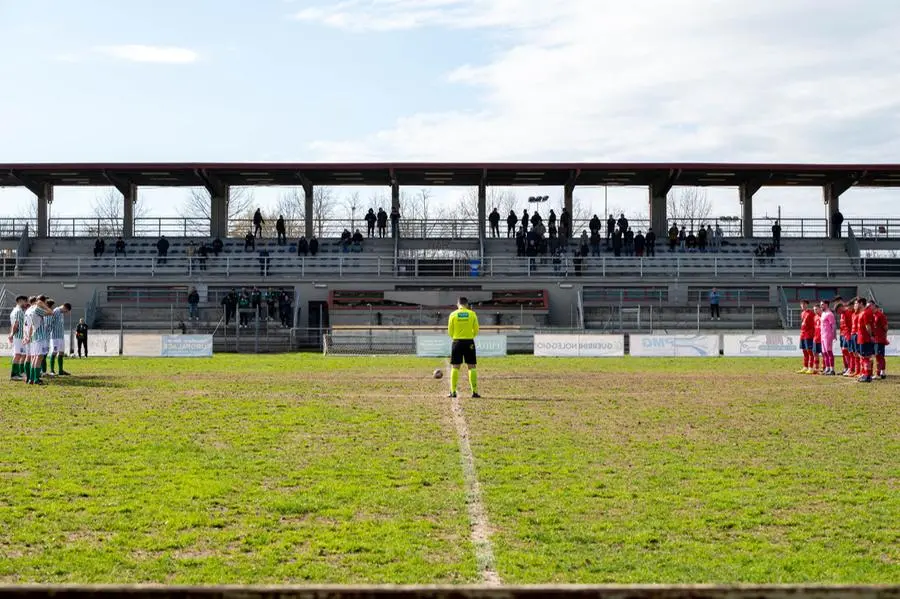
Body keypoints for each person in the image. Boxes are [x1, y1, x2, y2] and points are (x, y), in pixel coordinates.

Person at [447, 297, 480, 399]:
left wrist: (456, 337)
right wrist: (469, 336)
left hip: (457, 342)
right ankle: (474, 392)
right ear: (467, 304)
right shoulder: (472, 314)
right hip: (469, 341)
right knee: (472, 366)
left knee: (455, 367)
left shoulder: (453, 314)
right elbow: (476, 330)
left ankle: (453, 392)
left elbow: (450, 331)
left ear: (458, 304)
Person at [47, 301, 72, 376]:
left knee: (61, 352)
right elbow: (50, 323)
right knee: (54, 352)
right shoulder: (55, 311)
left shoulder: (61, 313)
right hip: (55, 337)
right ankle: (52, 370)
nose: (66, 313)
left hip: (61, 336)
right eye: (66, 311)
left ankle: (60, 370)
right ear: (64, 307)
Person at [7, 295, 28, 381]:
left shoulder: (13, 311)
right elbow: (16, 325)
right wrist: (12, 334)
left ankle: (17, 373)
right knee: (18, 355)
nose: (26, 303)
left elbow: (12, 325)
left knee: (20, 355)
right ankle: (14, 374)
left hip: (17, 336)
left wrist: (11, 334)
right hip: (19, 336)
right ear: (20, 301)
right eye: (25, 301)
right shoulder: (19, 311)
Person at [855, 298, 875, 383]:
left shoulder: (866, 312)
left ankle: (867, 375)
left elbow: (868, 326)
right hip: (861, 338)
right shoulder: (861, 313)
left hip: (865, 338)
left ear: (861, 303)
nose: (856, 305)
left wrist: (871, 336)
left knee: (866, 357)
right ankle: (865, 374)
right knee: (864, 357)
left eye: (857, 303)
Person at [797, 300, 816, 374]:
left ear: (807, 305)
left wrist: (813, 333)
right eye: (801, 304)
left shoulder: (811, 313)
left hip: (809, 334)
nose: (803, 305)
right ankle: (805, 367)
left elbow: (813, 324)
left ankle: (811, 367)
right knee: (804, 351)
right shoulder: (802, 313)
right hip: (803, 334)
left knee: (810, 351)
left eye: (804, 304)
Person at [819, 300, 837, 376]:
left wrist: (834, 335)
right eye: (820, 304)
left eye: (822, 304)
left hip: (828, 336)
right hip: (822, 335)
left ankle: (832, 369)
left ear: (826, 305)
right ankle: (827, 368)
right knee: (824, 353)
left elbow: (833, 325)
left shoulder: (830, 314)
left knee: (829, 352)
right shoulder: (823, 313)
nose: (821, 306)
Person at [873, 303, 889, 379]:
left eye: (871, 306)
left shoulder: (880, 315)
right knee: (877, 356)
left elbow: (885, 327)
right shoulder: (873, 315)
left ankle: (881, 372)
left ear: (875, 307)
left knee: (880, 356)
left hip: (880, 339)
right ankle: (880, 372)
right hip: (875, 339)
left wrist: (884, 336)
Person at [812, 305, 823, 373]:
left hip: (822, 339)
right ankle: (816, 368)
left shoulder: (823, 316)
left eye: (816, 309)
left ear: (820, 309)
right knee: (815, 353)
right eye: (814, 309)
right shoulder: (815, 317)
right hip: (815, 338)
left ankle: (824, 367)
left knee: (824, 354)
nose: (815, 311)